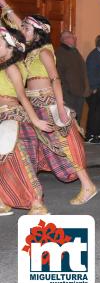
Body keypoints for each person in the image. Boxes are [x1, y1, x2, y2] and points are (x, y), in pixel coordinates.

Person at [0, 0, 97, 205]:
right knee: (32, 147)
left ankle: (87, 185)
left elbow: (55, 79)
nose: (22, 30)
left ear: (38, 33)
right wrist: (4, 4)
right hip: (33, 105)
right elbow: (17, 24)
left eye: (27, 28)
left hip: (47, 103)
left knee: (63, 144)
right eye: (23, 27)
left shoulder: (44, 51)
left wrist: (60, 108)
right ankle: (24, 191)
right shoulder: (29, 51)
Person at [0, 26, 53, 215]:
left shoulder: (12, 67)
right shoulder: (3, 64)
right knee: (5, 163)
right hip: (2, 117)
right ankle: (3, 201)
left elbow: (22, 97)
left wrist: (36, 121)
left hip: (12, 117)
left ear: (10, 46)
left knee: (21, 162)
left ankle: (37, 204)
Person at [56, 30, 90, 123]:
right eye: (72, 37)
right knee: (69, 123)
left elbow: (82, 70)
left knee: (77, 121)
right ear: (65, 39)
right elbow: (58, 76)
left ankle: (76, 138)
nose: (75, 39)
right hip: (68, 96)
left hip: (80, 94)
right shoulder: (59, 53)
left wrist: (86, 89)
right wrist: (66, 92)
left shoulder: (75, 51)